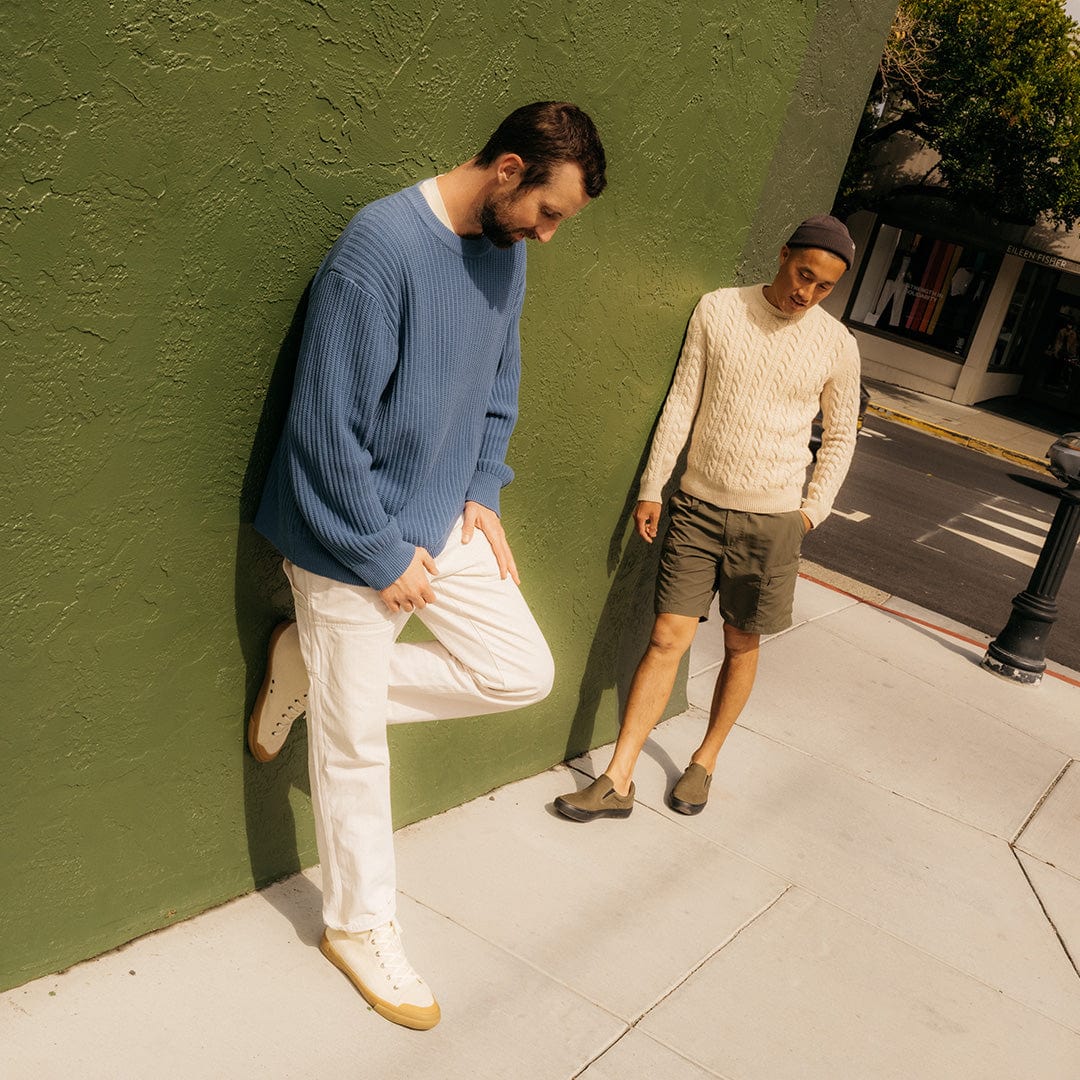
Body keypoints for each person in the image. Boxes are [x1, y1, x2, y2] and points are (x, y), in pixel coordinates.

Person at [249, 102, 606, 1030]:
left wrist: (482, 486)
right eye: (549, 212)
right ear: (508, 170)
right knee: (355, 746)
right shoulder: (379, 250)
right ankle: (358, 926)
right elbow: (324, 433)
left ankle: (315, 673)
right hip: (347, 533)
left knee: (521, 671)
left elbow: (498, 380)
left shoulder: (506, 248)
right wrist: (375, 552)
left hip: (442, 517)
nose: (549, 234)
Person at [554, 215, 860, 823]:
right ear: (783, 255)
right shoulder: (718, 310)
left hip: (774, 520)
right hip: (697, 506)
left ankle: (706, 760)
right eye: (804, 275)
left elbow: (842, 435)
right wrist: (653, 487)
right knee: (667, 636)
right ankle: (618, 779)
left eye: (824, 287)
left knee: (741, 642)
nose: (808, 292)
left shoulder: (837, 345)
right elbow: (682, 402)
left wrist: (810, 512)